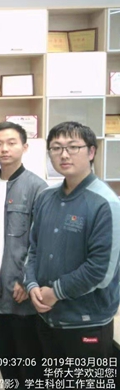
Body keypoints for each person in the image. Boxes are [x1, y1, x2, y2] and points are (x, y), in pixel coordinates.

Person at [25, 121, 120, 362]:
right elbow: (33, 249)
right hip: (47, 316)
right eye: (56, 148)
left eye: (73, 147)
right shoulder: (45, 197)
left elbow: (100, 271)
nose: (64, 154)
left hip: (86, 321)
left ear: (91, 152)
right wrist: (32, 285)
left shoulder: (106, 203)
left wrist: (55, 292)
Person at [0, 122, 47, 387]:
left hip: (20, 287)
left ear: (24, 147)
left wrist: (28, 280)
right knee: (5, 355)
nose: (4, 149)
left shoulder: (37, 187)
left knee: (28, 359)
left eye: (11, 143)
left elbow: (40, 241)